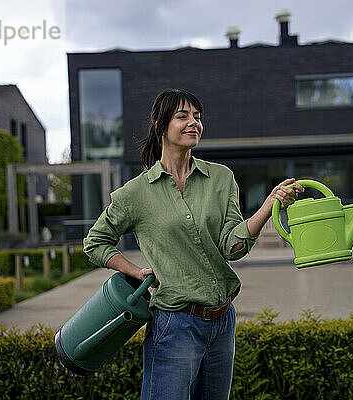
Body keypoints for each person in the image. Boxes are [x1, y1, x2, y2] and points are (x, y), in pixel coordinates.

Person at [83, 88, 304, 400]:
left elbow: (232, 247)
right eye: (182, 116)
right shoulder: (135, 194)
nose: (193, 123)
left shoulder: (221, 178)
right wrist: (135, 271)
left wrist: (269, 204)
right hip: (174, 325)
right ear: (160, 124)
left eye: (197, 117)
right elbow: (95, 243)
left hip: (223, 322)